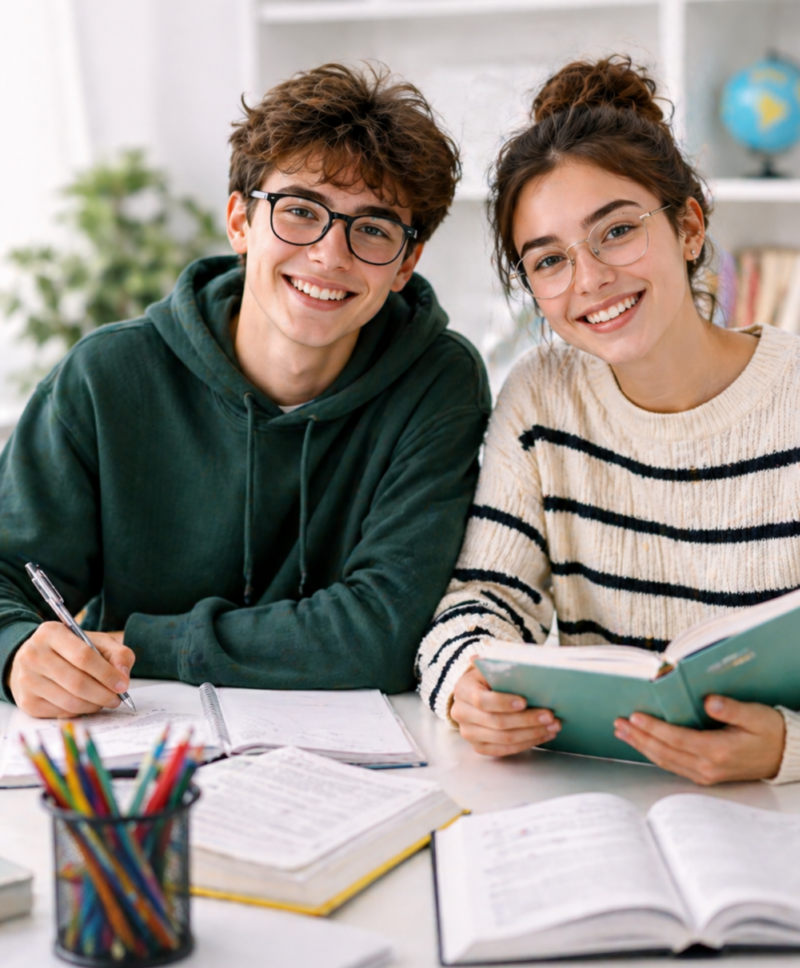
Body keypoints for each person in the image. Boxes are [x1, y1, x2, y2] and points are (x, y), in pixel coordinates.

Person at [0, 62, 490, 718]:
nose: (329, 255)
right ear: (240, 221)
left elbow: (382, 632)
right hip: (138, 746)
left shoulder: (437, 382)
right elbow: (8, 577)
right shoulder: (105, 376)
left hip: (359, 765)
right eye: (300, 212)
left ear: (406, 264)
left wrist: (140, 642)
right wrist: (16, 650)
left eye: (372, 228)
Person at [417, 55, 800, 785]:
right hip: (599, 789)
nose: (591, 280)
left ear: (689, 227)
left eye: (617, 231)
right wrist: (463, 683)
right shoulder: (541, 396)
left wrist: (792, 748)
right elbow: (482, 600)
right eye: (548, 261)